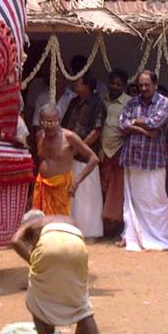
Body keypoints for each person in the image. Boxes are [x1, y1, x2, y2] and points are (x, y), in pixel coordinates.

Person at [10, 210, 113, 334]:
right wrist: (80, 321)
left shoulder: (32, 224)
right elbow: (71, 254)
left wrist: (32, 261)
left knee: (37, 298)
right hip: (78, 248)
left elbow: (15, 241)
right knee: (81, 300)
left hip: (50, 248)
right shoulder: (66, 220)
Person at [117, 70, 168, 251]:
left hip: (153, 159)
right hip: (132, 158)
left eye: (147, 85)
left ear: (155, 85)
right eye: (140, 85)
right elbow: (122, 124)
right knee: (134, 200)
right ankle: (134, 236)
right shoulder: (132, 102)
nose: (143, 88)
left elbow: (155, 123)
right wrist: (143, 130)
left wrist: (135, 122)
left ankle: (157, 238)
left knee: (155, 200)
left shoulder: (164, 102)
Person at [33, 105, 99, 218]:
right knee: (39, 222)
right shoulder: (40, 135)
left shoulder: (69, 137)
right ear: (40, 122)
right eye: (44, 123)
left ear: (58, 120)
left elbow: (93, 159)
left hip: (61, 187)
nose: (48, 127)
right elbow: (40, 159)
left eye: (51, 123)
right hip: (42, 186)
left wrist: (76, 182)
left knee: (58, 223)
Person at [61, 74, 105, 239]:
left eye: (78, 82)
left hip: (87, 157)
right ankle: (72, 230)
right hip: (71, 154)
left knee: (88, 196)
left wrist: (80, 149)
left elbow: (96, 131)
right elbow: (65, 127)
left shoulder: (98, 104)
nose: (74, 84)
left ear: (87, 86)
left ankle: (90, 233)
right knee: (73, 196)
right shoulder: (73, 102)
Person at [100, 70, 129, 236]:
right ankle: (101, 228)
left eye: (119, 84)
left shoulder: (128, 103)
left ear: (124, 86)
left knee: (116, 194)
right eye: (113, 83)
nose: (115, 87)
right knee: (100, 191)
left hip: (118, 153)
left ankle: (115, 228)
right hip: (100, 153)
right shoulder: (101, 99)